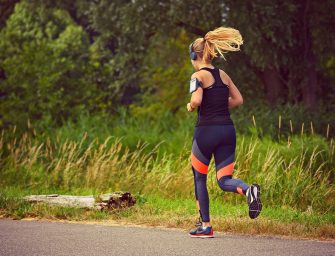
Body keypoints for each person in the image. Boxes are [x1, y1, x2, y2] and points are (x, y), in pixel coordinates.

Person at [187, 27, 262, 238]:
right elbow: (238, 100)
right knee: (224, 180)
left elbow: (197, 100)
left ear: (194, 55)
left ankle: (206, 226)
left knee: (199, 178)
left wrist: (191, 106)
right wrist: (219, 104)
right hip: (227, 131)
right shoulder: (223, 74)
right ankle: (248, 190)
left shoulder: (197, 75)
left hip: (206, 133)